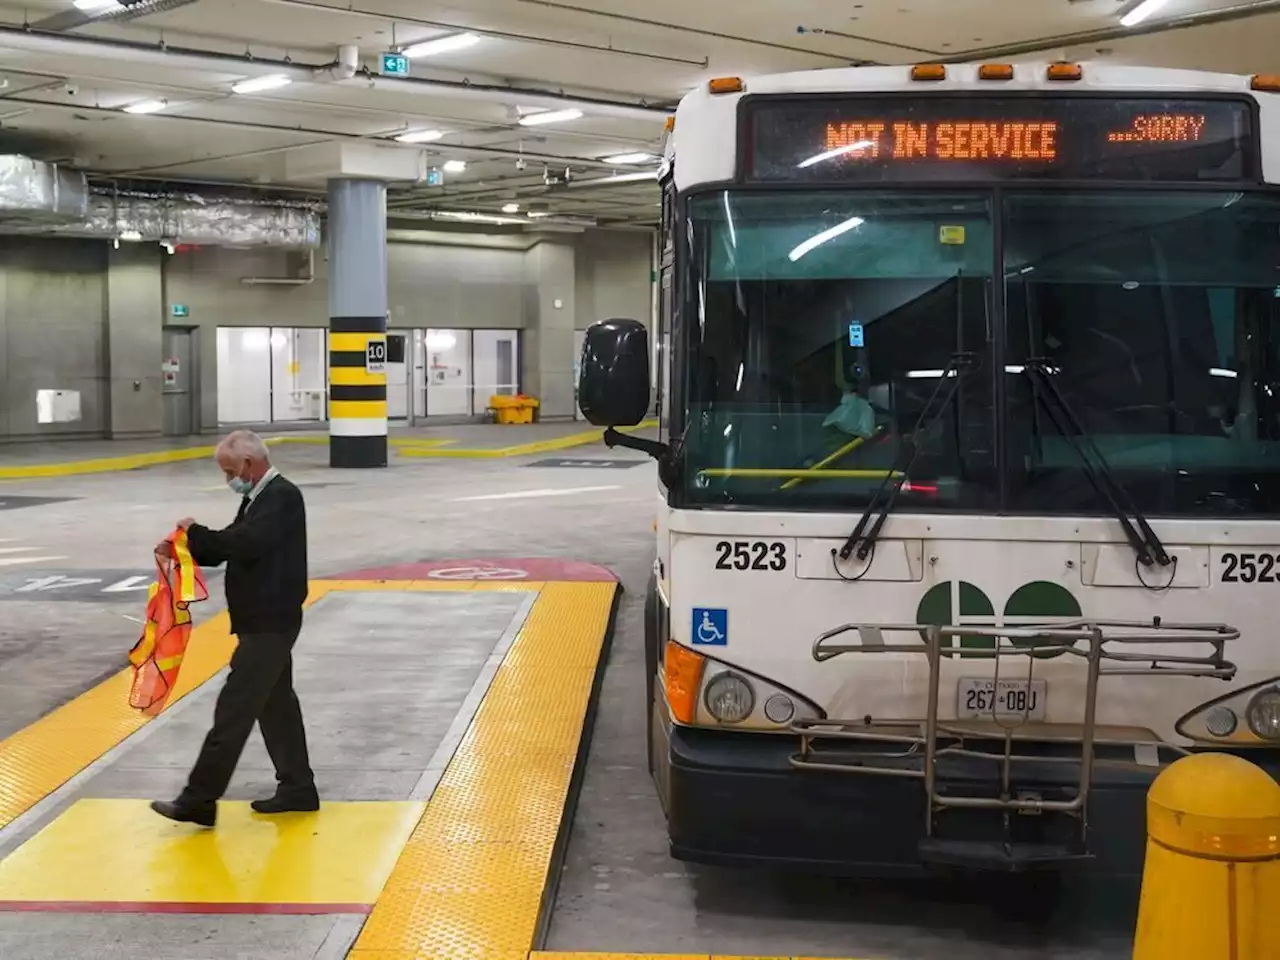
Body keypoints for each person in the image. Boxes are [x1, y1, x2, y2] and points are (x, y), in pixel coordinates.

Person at [150, 429, 317, 827]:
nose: (229, 480)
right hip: (262, 621)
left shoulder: (281, 497)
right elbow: (230, 544)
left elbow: (245, 545)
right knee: (276, 707)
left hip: (269, 624)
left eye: (229, 471)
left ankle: (199, 799)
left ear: (248, 464)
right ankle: (298, 788)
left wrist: (194, 532)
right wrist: (185, 545)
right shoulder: (257, 498)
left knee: (233, 711)